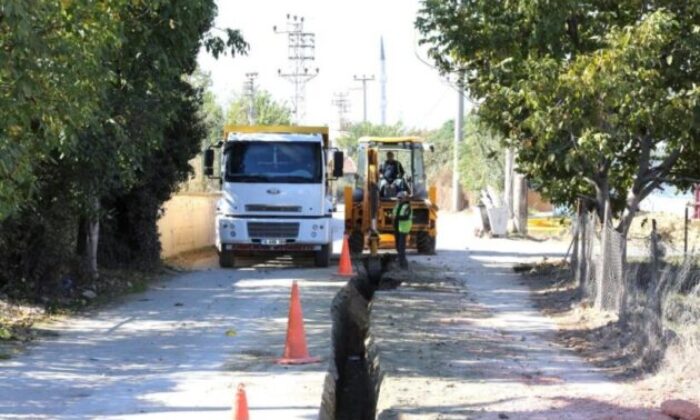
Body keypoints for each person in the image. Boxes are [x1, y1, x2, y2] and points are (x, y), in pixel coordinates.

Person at [393, 191, 412, 269]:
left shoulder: (407, 206)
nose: (398, 199)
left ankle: (403, 265)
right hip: (397, 227)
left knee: (401, 247)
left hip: (404, 228)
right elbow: (394, 214)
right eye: (398, 198)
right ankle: (400, 261)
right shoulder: (398, 205)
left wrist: (396, 218)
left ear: (404, 198)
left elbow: (406, 217)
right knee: (398, 246)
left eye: (400, 198)